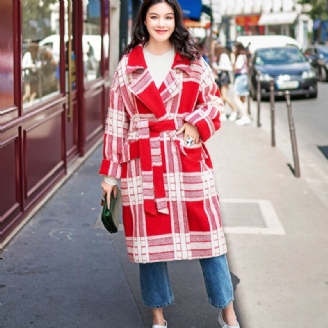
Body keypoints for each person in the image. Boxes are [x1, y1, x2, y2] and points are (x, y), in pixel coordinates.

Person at [99, 1, 241, 327]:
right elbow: (116, 122)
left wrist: (196, 124)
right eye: (154, 17)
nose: (161, 23)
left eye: (167, 17)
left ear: (176, 21)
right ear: (144, 20)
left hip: (187, 157)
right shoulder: (128, 66)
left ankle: (228, 314)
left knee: (211, 240)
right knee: (149, 248)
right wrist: (110, 175)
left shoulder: (192, 61)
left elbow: (214, 103)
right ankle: (158, 318)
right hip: (144, 163)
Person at [212, 44, 237, 121]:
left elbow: (228, 67)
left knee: (225, 96)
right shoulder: (220, 56)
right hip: (221, 77)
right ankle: (223, 113)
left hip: (224, 77)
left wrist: (218, 67)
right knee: (222, 97)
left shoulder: (223, 56)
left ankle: (234, 110)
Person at [233, 42, 251, 126]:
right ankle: (246, 116)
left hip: (240, 77)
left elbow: (237, 68)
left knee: (236, 97)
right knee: (243, 99)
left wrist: (233, 59)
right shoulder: (244, 56)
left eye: (235, 48)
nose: (234, 50)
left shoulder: (240, 56)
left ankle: (244, 116)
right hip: (244, 77)